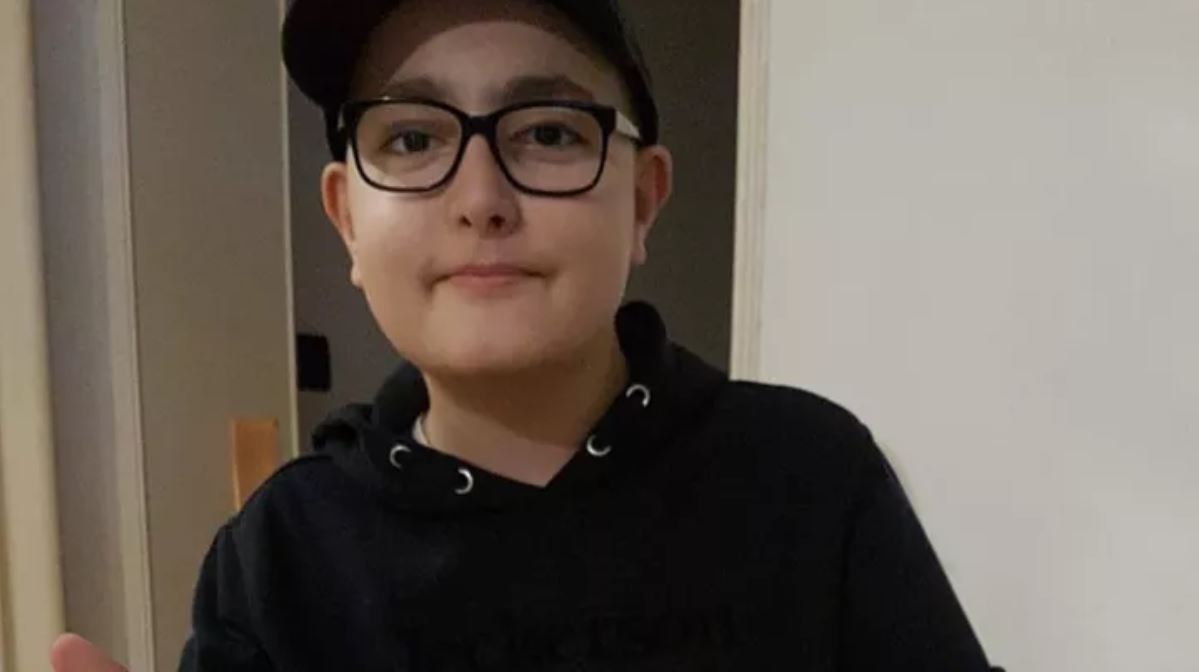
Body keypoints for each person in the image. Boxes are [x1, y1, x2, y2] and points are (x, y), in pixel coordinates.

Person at [52, 0, 1003, 669]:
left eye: (547, 133)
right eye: (411, 138)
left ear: (642, 201)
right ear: (346, 221)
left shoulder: (809, 477)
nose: (481, 199)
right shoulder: (282, 556)